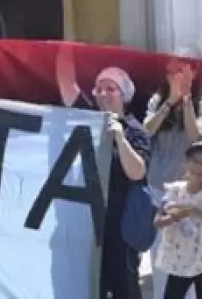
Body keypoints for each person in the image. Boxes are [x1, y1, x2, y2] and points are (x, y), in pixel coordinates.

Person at [56, 49, 150, 299]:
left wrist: (119, 137)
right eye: (99, 88)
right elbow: (66, 82)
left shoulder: (135, 130)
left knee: (125, 289)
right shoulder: (89, 118)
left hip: (121, 230)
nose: (105, 94)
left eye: (111, 88)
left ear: (124, 95)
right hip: (88, 226)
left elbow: (137, 172)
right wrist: (64, 47)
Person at [143, 58, 202, 298]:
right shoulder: (157, 100)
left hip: (191, 194)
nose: (173, 78)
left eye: (180, 72)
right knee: (161, 258)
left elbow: (196, 138)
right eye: (169, 73)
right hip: (158, 189)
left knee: (188, 260)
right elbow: (146, 130)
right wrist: (169, 102)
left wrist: (186, 101)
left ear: (193, 74)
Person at [153, 141, 202, 299]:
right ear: (186, 163)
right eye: (194, 161)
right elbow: (158, 221)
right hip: (180, 261)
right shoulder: (175, 190)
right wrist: (175, 216)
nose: (198, 167)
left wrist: (193, 211)